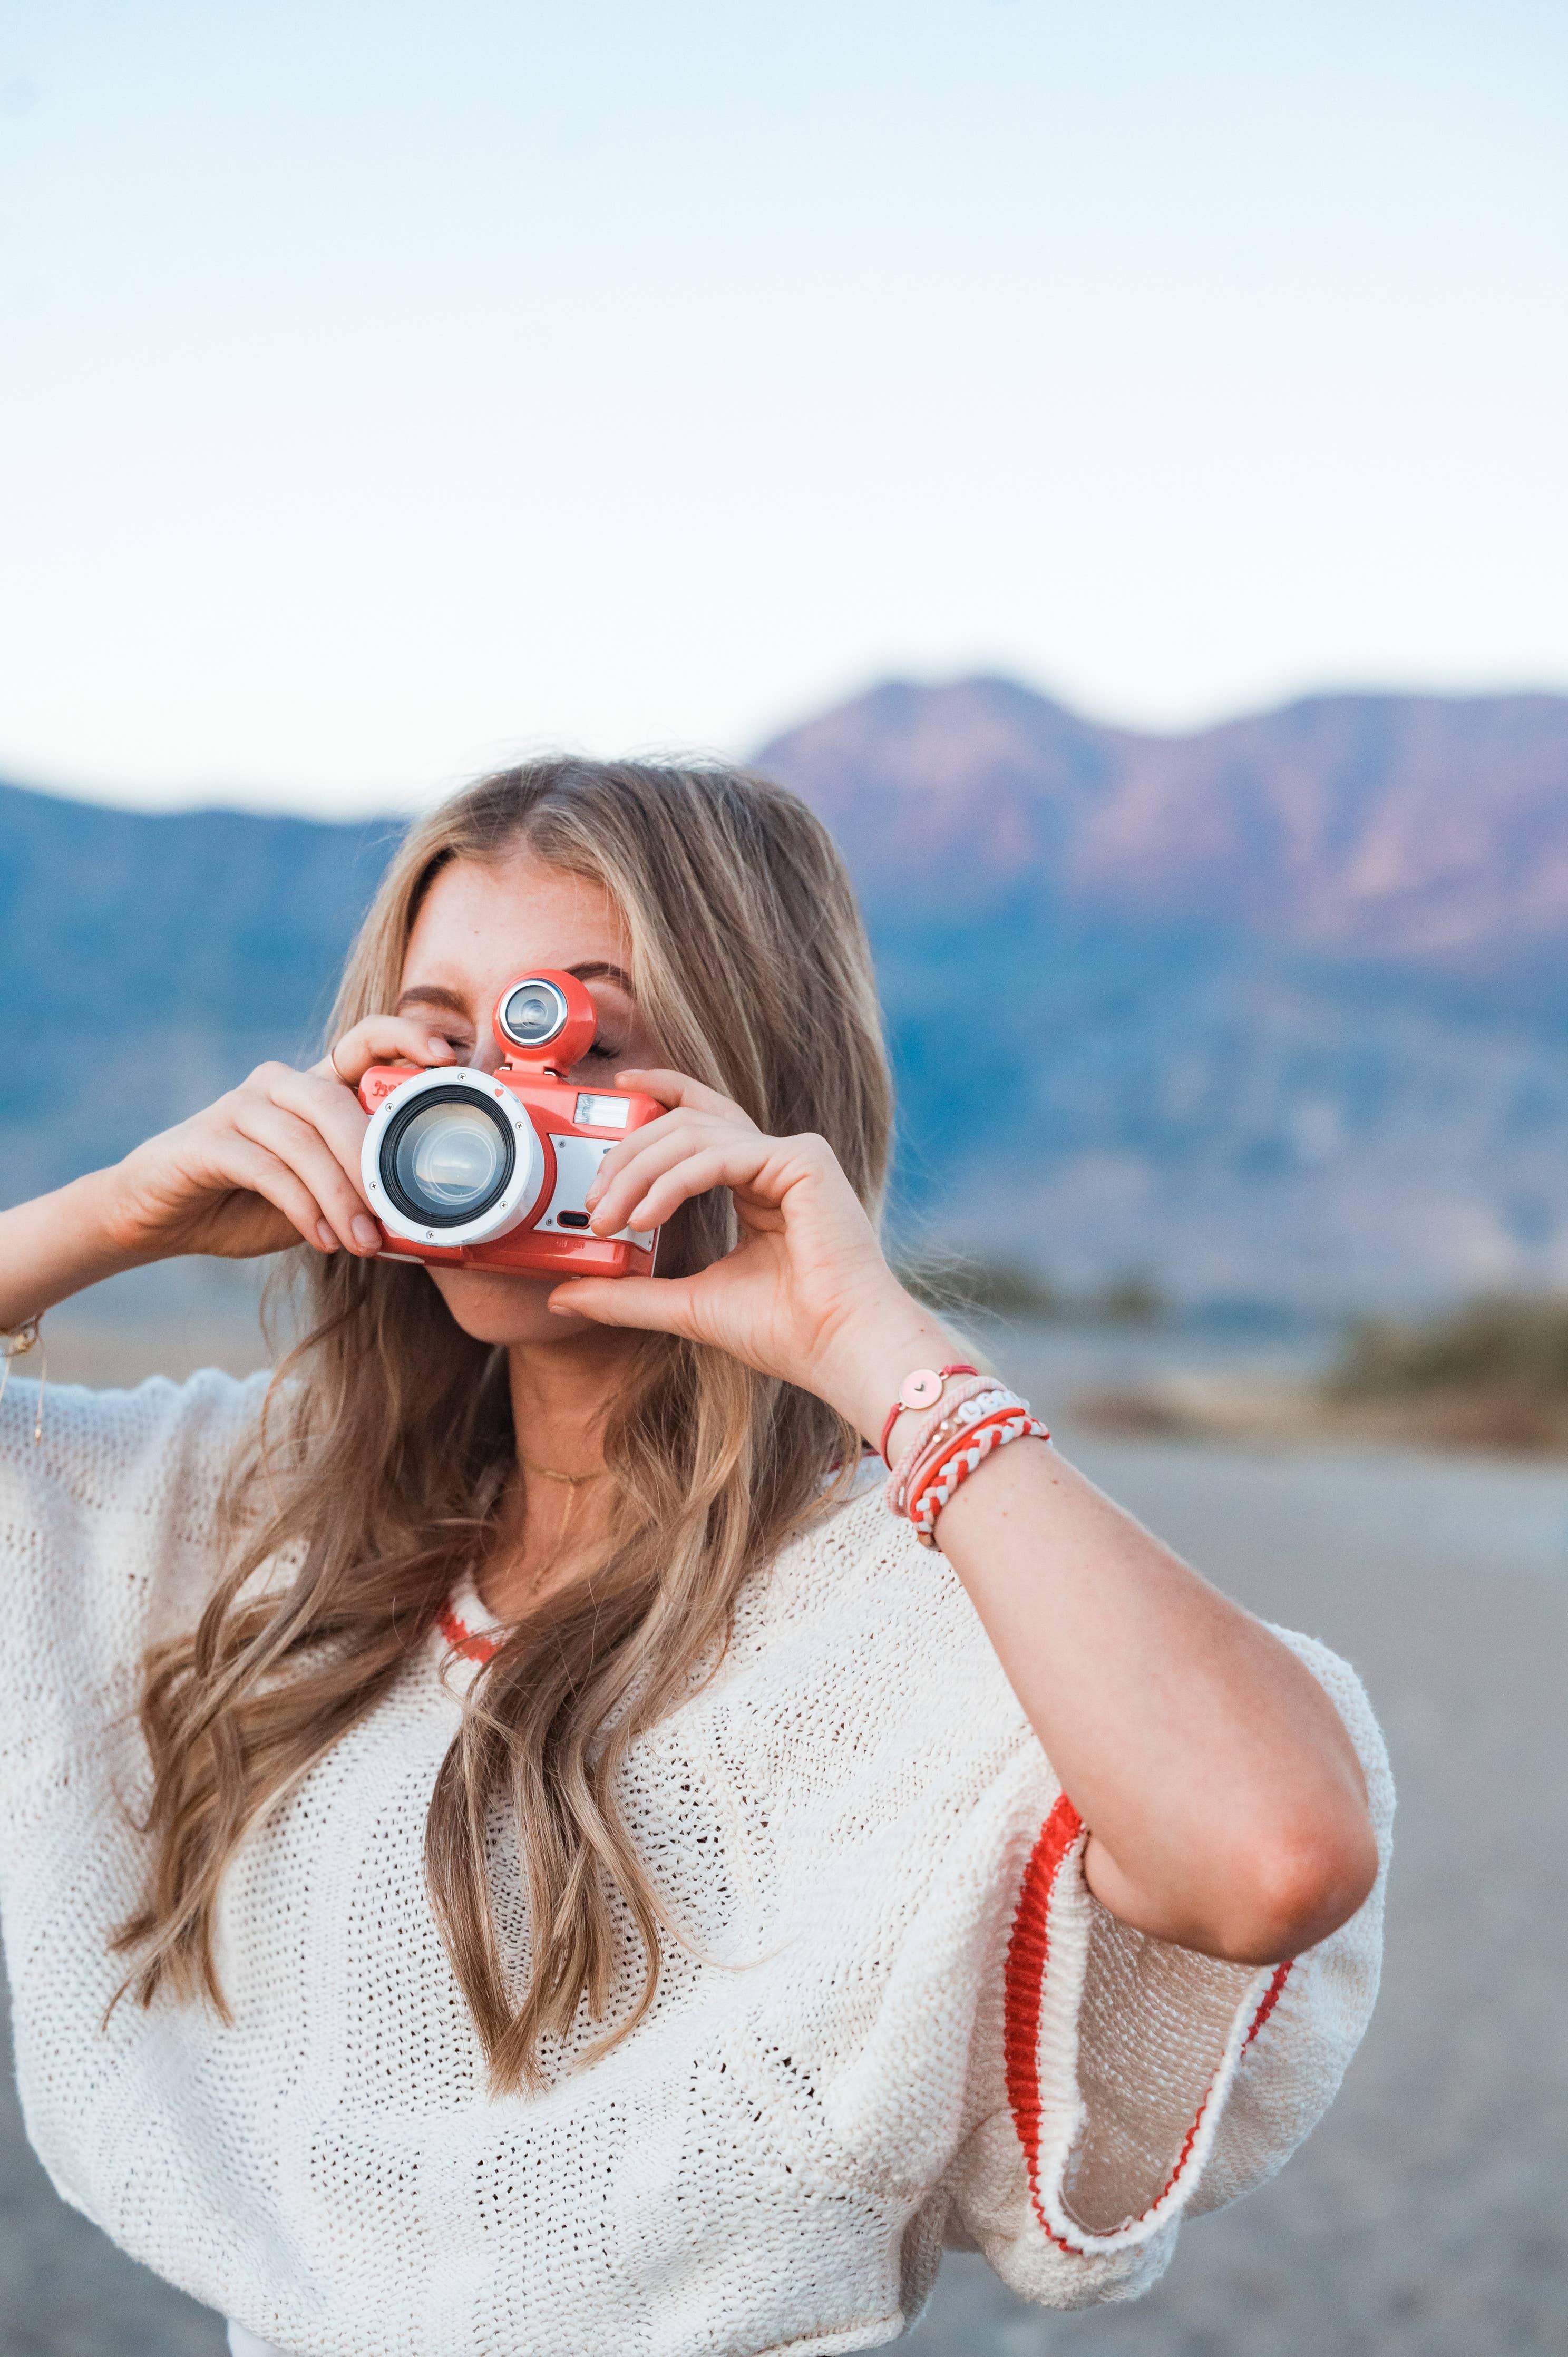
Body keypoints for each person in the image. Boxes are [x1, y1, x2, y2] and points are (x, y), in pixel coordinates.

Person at [0, 758, 1390, 2357]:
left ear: (754, 1085)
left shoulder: (918, 1607)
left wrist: (868, 1346)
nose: (495, 1108)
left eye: (584, 1044)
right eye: (444, 1043)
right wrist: (125, 1212)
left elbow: (1272, 1858)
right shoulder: (252, 1510)